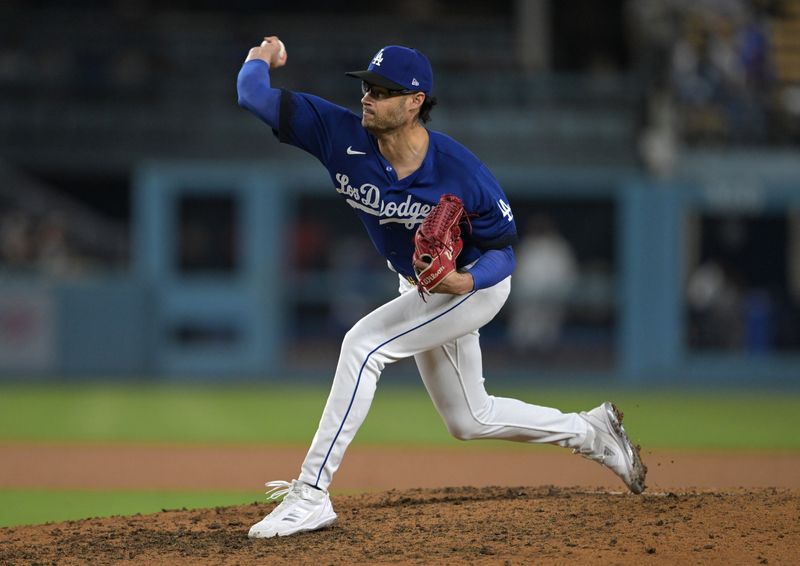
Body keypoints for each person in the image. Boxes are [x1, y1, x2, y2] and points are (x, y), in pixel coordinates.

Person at [237, 37, 646, 539]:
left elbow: (505, 252)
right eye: (366, 86)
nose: (367, 97)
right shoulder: (335, 132)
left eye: (383, 91)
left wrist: (465, 279)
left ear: (414, 103)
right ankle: (592, 432)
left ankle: (310, 494)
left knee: (363, 346)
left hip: (471, 285)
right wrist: (263, 55)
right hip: (421, 284)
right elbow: (253, 96)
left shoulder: (462, 172)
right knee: (469, 418)